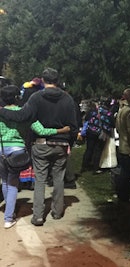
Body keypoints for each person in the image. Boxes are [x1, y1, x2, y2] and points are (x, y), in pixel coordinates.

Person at [0, 67, 78, 226]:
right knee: (59, 179)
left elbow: (21, 116)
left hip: (41, 144)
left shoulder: (36, 97)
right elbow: (73, 126)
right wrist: (69, 143)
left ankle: (38, 216)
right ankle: (57, 212)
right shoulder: (68, 99)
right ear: (57, 81)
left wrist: (2, 110)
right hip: (61, 143)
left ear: (43, 80)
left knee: (40, 180)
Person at [81, 99, 115, 174]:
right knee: (98, 150)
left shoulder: (94, 110)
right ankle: (95, 168)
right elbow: (113, 124)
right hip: (101, 134)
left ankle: (84, 166)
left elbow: (87, 118)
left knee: (89, 149)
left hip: (90, 131)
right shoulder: (109, 113)